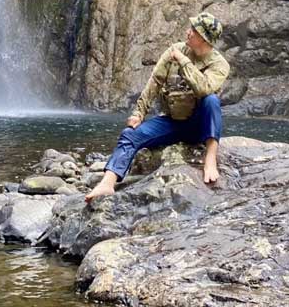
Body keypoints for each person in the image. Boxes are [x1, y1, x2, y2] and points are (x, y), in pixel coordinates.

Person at [85, 12, 229, 202]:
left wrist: (183, 61)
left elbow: (204, 89)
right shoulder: (175, 50)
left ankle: (210, 159)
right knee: (130, 134)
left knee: (211, 100)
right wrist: (139, 113)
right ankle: (107, 183)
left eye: (193, 30)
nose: (188, 32)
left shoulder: (220, 65)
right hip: (172, 122)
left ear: (203, 38)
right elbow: (154, 82)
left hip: (199, 125)